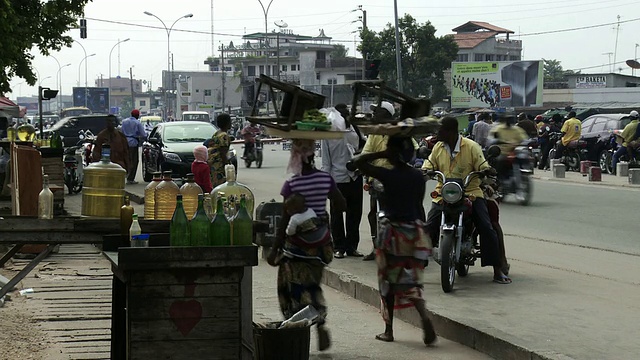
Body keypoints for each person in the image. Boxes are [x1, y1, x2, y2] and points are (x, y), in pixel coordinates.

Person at [353, 135, 436, 345]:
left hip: (393, 234)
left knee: (388, 282)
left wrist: (381, 153)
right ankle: (423, 314)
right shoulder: (417, 176)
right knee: (412, 279)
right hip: (415, 234)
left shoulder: (388, 175)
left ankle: (389, 330)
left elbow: (358, 162)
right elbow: (418, 205)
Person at [267, 139, 346, 352]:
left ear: (296, 157)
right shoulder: (326, 179)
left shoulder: (292, 184)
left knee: (295, 289)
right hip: (321, 247)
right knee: (313, 286)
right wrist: (321, 213)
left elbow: (284, 221)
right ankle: (320, 322)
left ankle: (298, 330)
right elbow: (341, 204)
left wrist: (274, 249)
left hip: (297, 249)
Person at [423, 116, 511, 284]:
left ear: (450, 132)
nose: (437, 134)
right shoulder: (438, 148)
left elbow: (482, 165)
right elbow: (429, 165)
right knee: (428, 226)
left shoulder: (471, 146)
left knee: (486, 227)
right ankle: (420, 261)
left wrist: (487, 170)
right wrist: (425, 171)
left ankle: (497, 269)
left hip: (470, 192)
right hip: (444, 193)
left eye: (440, 130)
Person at [321, 104, 364, 258]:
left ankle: (352, 247)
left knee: (355, 215)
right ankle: (339, 247)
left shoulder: (355, 130)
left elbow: (364, 147)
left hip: (355, 178)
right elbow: (326, 162)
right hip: (337, 180)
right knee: (337, 215)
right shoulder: (328, 135)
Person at [120, 109, 147, 184]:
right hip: (133, 143)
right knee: (134, 161)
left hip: (125, 143)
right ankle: (130, 178)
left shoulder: (124, 122)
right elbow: (143, 134)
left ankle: (125, 175)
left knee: (126, 160)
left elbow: (121, 132)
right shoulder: (137, 123)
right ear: (137, 115)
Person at [206, 113, 231, 187]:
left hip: (212, 162)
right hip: (218, 164)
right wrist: (227, 166)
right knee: (221, 185)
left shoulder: (217, 133)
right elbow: (223, 153)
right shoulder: (224, 136)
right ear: (227, 123)